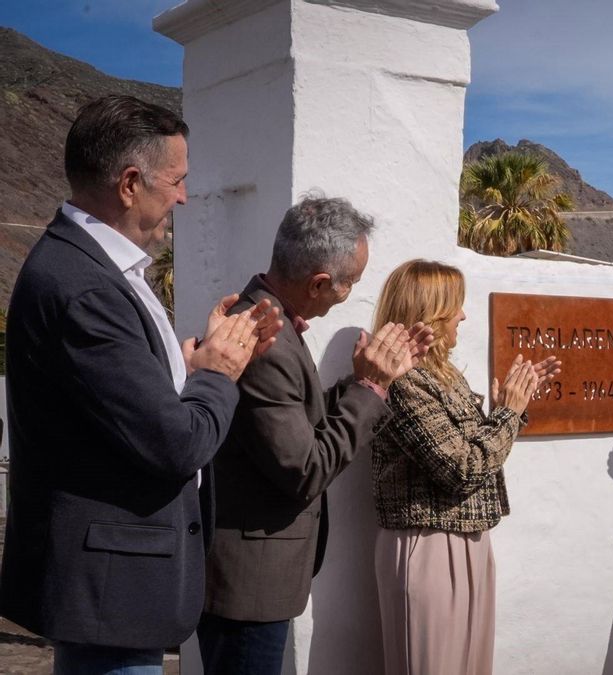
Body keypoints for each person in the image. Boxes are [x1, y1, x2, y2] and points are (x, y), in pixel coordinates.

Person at [0, 95, 281, 674]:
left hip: (114, 588)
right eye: (176, 180)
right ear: (130, 183)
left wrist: (189, 365)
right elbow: (176, 442)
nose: (182, 197)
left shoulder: (94, 270)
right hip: (111, 590)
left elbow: (121, 407)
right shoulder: (87, 287)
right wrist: (220, 371)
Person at [197, 196, 434, 674]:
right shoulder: (264, 341)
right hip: (250, 586)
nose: (349, 295)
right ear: (320, 283)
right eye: (351, 285)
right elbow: (304, 468)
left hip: (258, 580)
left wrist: (361, 382)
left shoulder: (271, 324)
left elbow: (293, 420)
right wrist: (373, 388)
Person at [369, 260, 560, 675]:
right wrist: (508, 413)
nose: (462, 315)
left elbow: (473, 450)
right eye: (456, 305)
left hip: (469, 539)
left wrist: (506, 412)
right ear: (431, 311)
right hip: (428, 542)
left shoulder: (445, 374)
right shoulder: (403, 383)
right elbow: (462, 470)